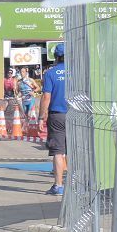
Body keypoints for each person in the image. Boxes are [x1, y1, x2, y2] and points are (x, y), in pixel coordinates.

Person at [40, 43, 67, 196]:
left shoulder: (50, 73)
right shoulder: (76, 73)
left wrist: (41, 116)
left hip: (57, 115)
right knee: (73, 150)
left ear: (56, 57)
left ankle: (58, 185)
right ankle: (75, 182)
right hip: (75, 114)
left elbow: (46, 97)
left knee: (58, 151)